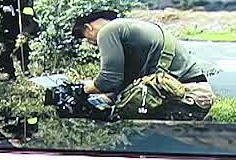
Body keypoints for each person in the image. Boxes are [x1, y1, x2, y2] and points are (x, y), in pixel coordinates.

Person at [71, 9, 215, 120]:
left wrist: (82, 89)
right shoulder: (129, 29)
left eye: (86, 38)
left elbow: (109, 80)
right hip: (200, 96)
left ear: (88, 27)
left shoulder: (107, 31)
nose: (91, 43)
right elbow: (123, 85)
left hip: (187, 97)